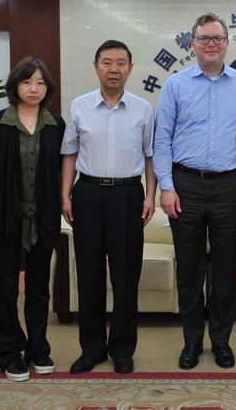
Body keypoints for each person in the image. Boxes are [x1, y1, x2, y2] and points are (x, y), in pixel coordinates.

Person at [153, 13, 236, 369]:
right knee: (190, 269)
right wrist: (166, 186)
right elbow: (162, 140)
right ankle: (192, 341)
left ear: (227, 42)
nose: (211, 44)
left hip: (229, 185)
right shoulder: (176, 85)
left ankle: (221, 342)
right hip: (185, 185)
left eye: (217, 38)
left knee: (226, 269)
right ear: (192, 43)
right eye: (204, 38)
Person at [60, 40, 156, 375]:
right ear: (96, 66)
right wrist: (65, 195)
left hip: (128, 196)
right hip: (87, 194)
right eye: (106, 63)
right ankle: (92, 348)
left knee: (126, 276)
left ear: (130, 68)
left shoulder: (143, 109)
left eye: (120, 63)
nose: (113, 69)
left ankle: (123, 349)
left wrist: (150, 196)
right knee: (89, 275)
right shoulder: (79, 106)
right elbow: (69, 154)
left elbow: (150, 156)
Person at [0, 57, 65, 382]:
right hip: (4, 219)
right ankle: (10, 353)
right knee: (7, 286)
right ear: (15, 86)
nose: (34, 88)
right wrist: (3, 201)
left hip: (43, 218)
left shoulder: (56, 125)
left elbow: (61, 170)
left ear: (47, 88)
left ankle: (38, 350)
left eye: (40, 83)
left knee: (39, 287)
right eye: (27, 82)